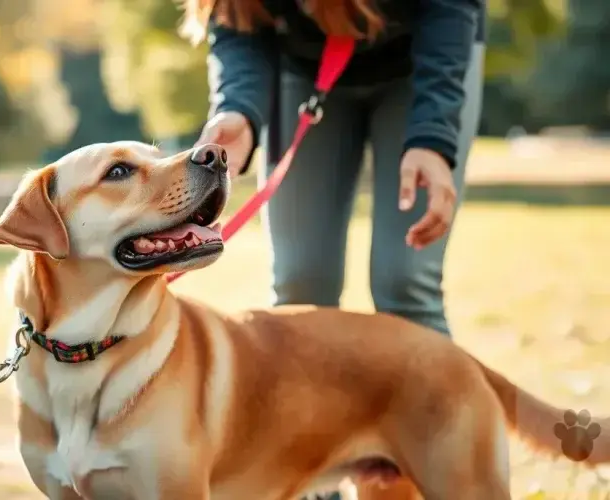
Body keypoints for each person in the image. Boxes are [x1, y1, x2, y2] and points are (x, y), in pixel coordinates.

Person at [180, 0, 484, 338]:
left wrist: (433, 136)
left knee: (405, 282)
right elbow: (238, 19)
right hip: (305, 71)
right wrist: (237, 106)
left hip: (426, 62)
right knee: (300, 284)